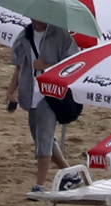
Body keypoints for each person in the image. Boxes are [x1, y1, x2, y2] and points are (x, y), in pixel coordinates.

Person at [7, 16, 79, 192]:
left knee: (44, 140)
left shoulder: (60, 35)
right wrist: (10, 91)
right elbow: (19, 66)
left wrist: (46, 66)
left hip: (51, 94)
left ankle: (39, 185)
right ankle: (71, 175)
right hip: (30, 94)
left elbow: (73, 64)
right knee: (40, 138)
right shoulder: (25, 35)